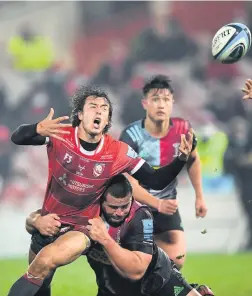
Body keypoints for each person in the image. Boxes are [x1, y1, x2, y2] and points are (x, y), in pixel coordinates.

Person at [8, 85, 193, 296]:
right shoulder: (60, 135)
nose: (99, 111)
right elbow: (17, 137)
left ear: (107, 120)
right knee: (40, 281)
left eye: (104, 109)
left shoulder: (117, 151)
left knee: (44, 260)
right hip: (50, 221)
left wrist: (180, 160)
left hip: (82, 228)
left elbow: (156, 179)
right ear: (80, 114)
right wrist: (35, 129)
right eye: (93, 106)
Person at [26, 174, 214, 296]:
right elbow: (38, 218)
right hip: (112, 288)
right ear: (101, 202)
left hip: (158, 280)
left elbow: (137, 270)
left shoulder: (141, 216)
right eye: (114, 207)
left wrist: (104, 239)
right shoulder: (83, 211)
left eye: (125, 206)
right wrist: (37, 221)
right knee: (39, 237)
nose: (120, 212)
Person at [119, 75, 207, 269]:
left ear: (172, 103)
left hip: (167, 204)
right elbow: (129, 182)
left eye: (166, 99)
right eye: (155, 99)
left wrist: (199, 196)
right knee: (138, 264)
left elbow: (193, 160)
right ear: (145, 103)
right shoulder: (131, 135)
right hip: (136, 207)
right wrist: (156, 203)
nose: (161, 105)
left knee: (177, 260)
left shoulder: (183, 129)